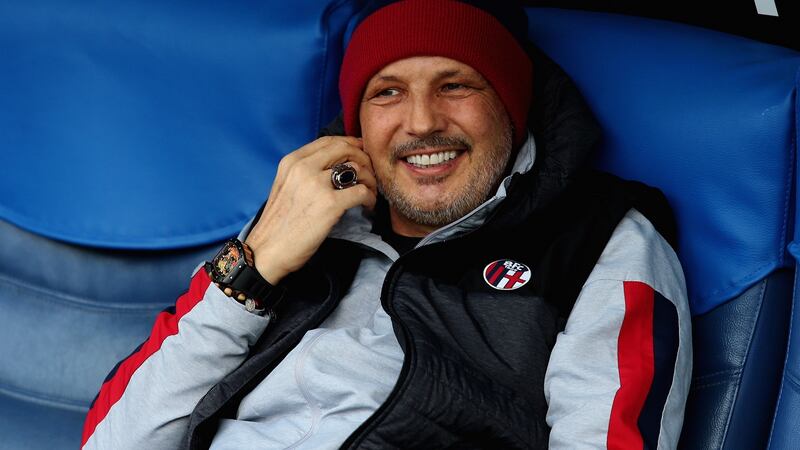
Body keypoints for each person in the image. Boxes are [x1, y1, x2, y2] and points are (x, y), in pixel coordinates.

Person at [81, 1, 692, 448]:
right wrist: (254, 269)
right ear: (357, 123)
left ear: (510, 103)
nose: (421, 122)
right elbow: (113, 440)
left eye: (456, 85)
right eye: (387, 92)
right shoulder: (306, 219)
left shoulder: (602, 239)